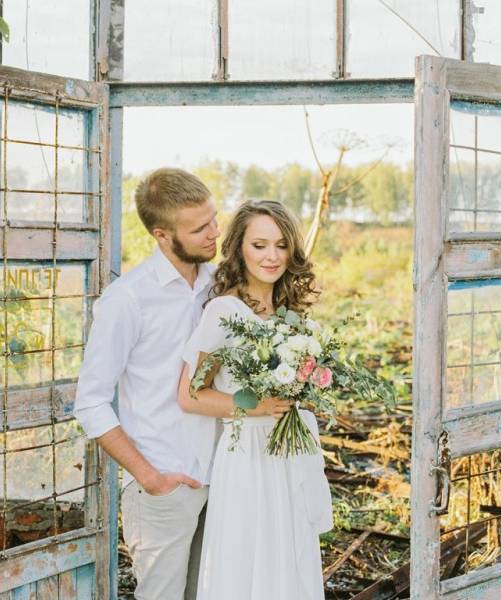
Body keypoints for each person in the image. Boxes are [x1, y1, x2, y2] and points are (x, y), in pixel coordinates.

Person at [73, 168, 221, 600]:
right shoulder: (128, 299)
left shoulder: (219, 286)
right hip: (163, 488)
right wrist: (150, 477)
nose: (215, 233)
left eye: (213, 218)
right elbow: (91, 402)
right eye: (199, 229)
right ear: (161, 234)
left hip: (222, 480)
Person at [177, 199, 334, 600]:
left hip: (289, 456)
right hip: (247, 456)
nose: (272, 256)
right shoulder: (223, 311)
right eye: (260, 245)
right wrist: (256, 407)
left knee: (290, 557)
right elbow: (191, 394)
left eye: (282, 245)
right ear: (239, 248)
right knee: (249, 562)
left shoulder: (292, 313)